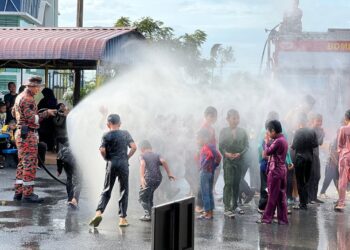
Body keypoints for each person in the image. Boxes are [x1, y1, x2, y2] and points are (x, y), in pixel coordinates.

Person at [12, 76, 57, 203]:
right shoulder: (28, 99)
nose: (39, 89)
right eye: (38, 87)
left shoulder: (20, 96)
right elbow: (33, 119)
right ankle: (28, 194)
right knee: (30, 164)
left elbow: (13, 113)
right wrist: (46, 113)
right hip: (28, 134)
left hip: (21, 132)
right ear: (31, 86)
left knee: (22, 163)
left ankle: (19, 192)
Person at [89, 114, 137, 228]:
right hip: (123, 164)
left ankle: (98, 213)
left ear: (108, 124)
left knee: (107, 189)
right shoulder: (125, 133)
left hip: (112, 163)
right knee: (124, 190)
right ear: (120, 124)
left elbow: (102, 150)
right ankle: (122, 219)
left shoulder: (106, 135)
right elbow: (134, 147)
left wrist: (106, 158)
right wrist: (127, 157)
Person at [257, 120, 289, 225]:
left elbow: (268, 151)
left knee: (272, 196)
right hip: (282, 170)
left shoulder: (278, 141)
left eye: (269, 132)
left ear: (273, 131)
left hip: (275, 171)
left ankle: (267, 218)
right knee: (280, 197)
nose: (269, 134)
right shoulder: (283, 140)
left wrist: (266, 142)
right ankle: (283, 219)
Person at [219, 109, 249, 217]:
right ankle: (227, 207)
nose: (236, 120)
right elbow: (220, 146)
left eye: (237, 118)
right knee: (229, 183)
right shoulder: (223, 131)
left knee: (236, 183)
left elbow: (246, 146)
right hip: (228, 161)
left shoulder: (242, 131)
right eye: (234, 118)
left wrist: (240, 154)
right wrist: (226, 154)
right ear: (228, 119)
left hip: (239, 160)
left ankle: (235, 205)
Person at [138, 140, 175, 221]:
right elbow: (163, 161)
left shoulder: (142, 155)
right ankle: (152, 214)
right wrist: (169, 173)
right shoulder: (157, 154)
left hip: (148, 178)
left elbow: (142, 164)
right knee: (149, 196)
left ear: (142, 149)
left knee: (142, 198)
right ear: (150, 148)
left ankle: (147, 215)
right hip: (158, 179)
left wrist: (141, 177)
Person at [291, 113, 318, 210]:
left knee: (300, 181)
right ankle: (305, 201)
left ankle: (303, 204)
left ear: (299, 121)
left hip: (300, 158)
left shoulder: (298, 132)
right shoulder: (312, 131)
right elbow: (315, 144)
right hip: (309, 159)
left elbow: (294, 146)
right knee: (306, 180)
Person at [196, 106, 218, 213]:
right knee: (203, 182)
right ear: (206, 116)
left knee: (207, 183)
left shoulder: (212, 129)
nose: (213, 118)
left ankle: (207, 206)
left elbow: (213, 142)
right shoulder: (203, 127)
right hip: (204, 156)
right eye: (211, 116)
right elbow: (199, 143)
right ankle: (200, 205)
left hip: (211, 157)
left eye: (215, 117)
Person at [197, 129, 222, 220]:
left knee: (205, 193)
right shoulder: (212, 146)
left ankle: (207, 213)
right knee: (209, 192)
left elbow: (209, 156)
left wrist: (203, 166)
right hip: (211, 172)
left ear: (204, 138)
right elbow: (219, 156)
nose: (197, 141)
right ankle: (210, 212)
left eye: (198, 138)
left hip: (205, 172)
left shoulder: (205, 147)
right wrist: (214, 166)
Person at [57, 142, 80, 209]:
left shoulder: (63, 149)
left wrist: (59, 170)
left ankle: (69, 199)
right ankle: (74, 200)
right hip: (74, 162)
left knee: (69, 178)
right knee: (78, 181)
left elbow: (58, 158)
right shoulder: (78, 148)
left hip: (65, 161)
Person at [335, 110, 350, 211]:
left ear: (346, 118)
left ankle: (341, 203)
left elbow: (340, 145)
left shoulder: (343, 129)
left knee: (343, 180)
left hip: (345, 156)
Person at [308, 113, 325, 204]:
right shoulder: (310, 130)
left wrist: (322, 134)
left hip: (316, 155)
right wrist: (322, 135)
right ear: (313, 121)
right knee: (311, 177)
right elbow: (315, 143)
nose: (320, 123)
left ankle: (314, 197)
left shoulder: (319, 130)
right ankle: (310, 198)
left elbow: (321, 143)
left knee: (317, 176)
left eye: (321, 121)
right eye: (318, 121)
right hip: (310, 156)